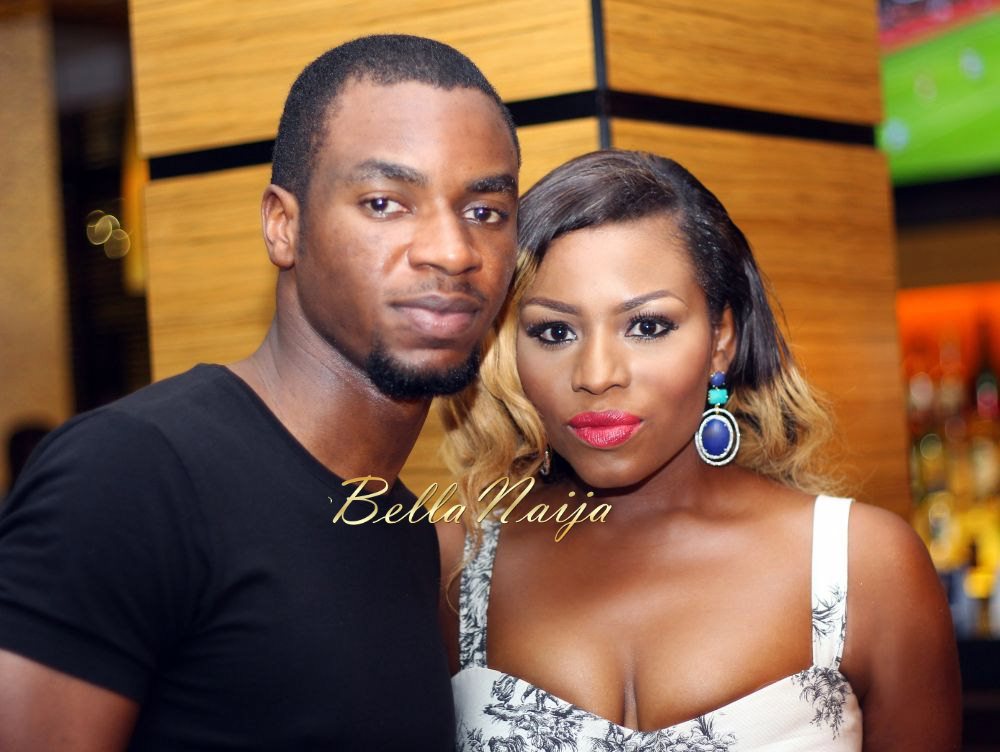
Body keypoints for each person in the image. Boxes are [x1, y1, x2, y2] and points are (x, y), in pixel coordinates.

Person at [0, 34, 520, 750]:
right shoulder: (131, 475)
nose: (453, 251)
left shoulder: (402, 532)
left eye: (485, 212)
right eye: (384, 203)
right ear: (283, 225)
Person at [438, 150, 961, 751]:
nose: (597, 374)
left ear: (721, 339)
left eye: (647, 326)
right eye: (555, 331)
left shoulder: (864, 566)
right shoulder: (456, 569)